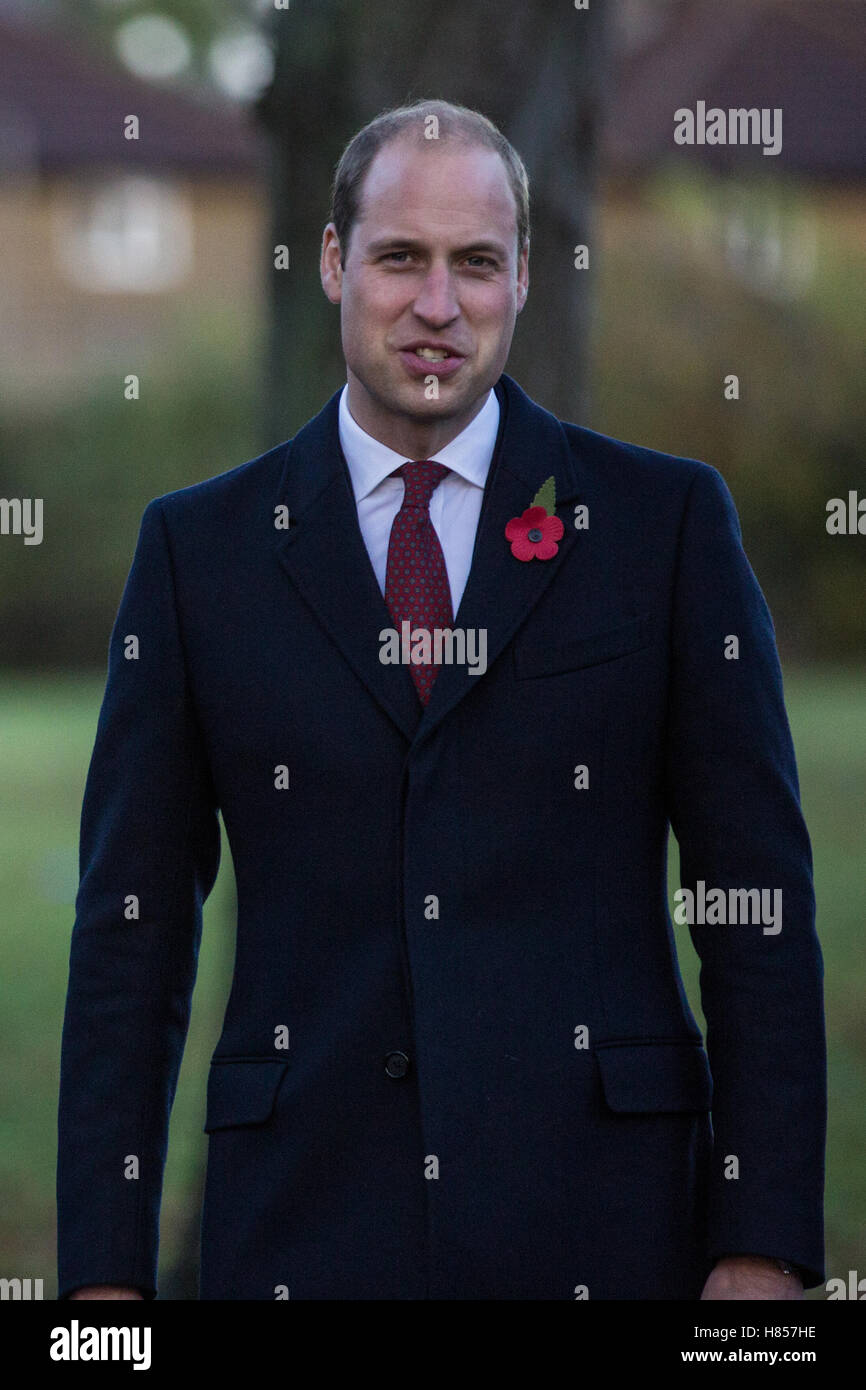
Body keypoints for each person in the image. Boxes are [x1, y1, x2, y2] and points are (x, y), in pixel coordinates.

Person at [57, 99, 825, 1301]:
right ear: (330, 262)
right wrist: (102, 1286)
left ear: (523, 274)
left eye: (474, 262)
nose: (436, 305)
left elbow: (755, 905)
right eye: (399, 257)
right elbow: (130, 937)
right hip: (298, 1232)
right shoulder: (195, 554)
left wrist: (760, 1243)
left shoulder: (660, 529)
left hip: (604, 1229)